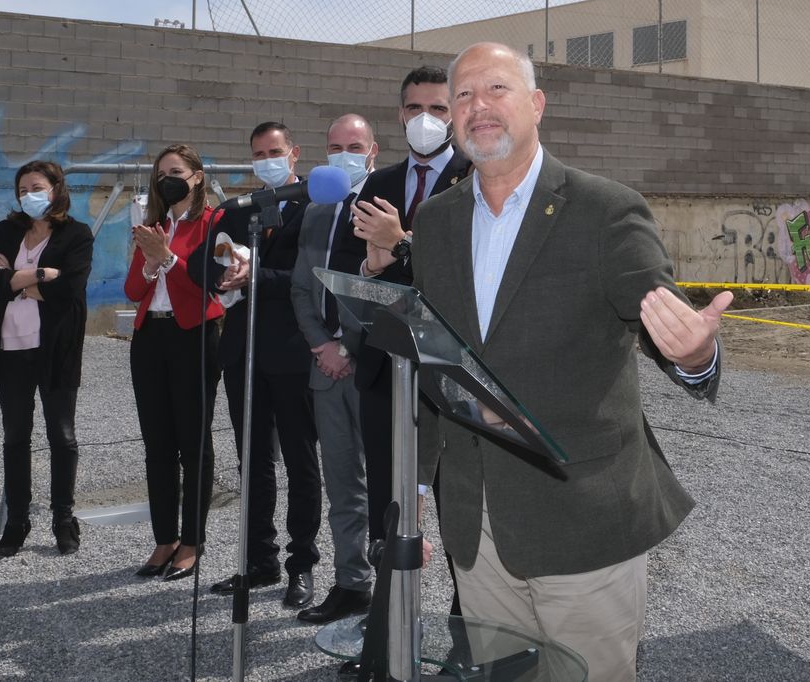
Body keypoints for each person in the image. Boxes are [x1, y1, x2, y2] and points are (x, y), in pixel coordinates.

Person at [413, 43, 730, 682]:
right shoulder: (437, 221)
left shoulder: (603, 208)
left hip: (582, 516)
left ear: (536, 105)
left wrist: (695, 353)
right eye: (464, 97)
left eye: (496, 89)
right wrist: (421, 484)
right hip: (476, 527)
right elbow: (436, 363)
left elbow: (660, 313)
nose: (479, 108)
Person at [203, 122, 321, 609]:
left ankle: (303, 566)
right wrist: (224, 273)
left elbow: (311, 273)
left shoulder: (317, 206)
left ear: (295, 153)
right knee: (252, 460)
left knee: (300, 461)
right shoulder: (240, 209)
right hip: (244, 353)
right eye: (258, 153)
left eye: (275, 151)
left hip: (293, 351)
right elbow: (203, 265)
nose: (267, 159)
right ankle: (259, 561)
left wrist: (257, 276)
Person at [353, 65, 471, 547]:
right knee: (387, 504)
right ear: (401, 115)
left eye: (438, 108)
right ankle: (386, 615)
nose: (427, 118)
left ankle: (468, 616)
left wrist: (400, 242)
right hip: (386, 367)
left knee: (458, 510)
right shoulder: (377, 182)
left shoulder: (475, 178)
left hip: (450, 370)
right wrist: (372, 270)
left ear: (455, 115)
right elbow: (349, 265)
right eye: (416, 108)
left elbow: (462, 270)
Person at [0, 160, 95, 558]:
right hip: (9, 348)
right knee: (16, 437)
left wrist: (17, 278)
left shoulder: (77, 234)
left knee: (62, 436)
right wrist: (40, 276)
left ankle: (63, 518)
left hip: (55, 347)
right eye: (22, 189)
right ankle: (18, 520)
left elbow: (69, 290)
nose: (28, 195)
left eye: (36, 187)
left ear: (56, 189)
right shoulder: (9, 230)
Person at [290, 114, 379, 625]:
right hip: (325, 369)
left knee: (387, 486)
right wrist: (323, 344)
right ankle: (352, 583)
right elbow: (304, 288)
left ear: (372, 151)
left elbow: (390, 290)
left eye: (354, 145)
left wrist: (348, 345)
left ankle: (392, 592)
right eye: (334, 146)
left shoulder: (386, 203)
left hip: (372, 369)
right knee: (342, 483)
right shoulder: (317, 209)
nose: (344, 154)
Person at [124, 144, 225, 581]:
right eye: (162, 171)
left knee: (193, 441)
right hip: (150, 337)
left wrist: (168, 259)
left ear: (197, 176)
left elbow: (209, 286)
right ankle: (163, 537)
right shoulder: (152, 223)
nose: (168, 178)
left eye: (177, 171)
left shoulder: (213, 223)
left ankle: (191, 540)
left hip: (194, 336)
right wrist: (150, 262)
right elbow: (131, 290)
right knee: (157, 443)